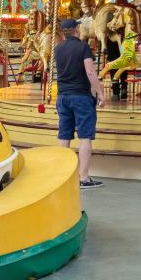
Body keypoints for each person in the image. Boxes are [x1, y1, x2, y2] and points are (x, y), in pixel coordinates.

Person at [54, 18, 106, 189]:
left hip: (63, 97)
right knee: (84, 137)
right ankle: (83, 177)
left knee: (64, 136)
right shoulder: (83, 47)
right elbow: (90, 72)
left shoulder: (58, 48)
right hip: (81, 97)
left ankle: (61, 175)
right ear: (76, 29)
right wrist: (100, 92)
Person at [106, 0, 137, 101]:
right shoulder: (132, 8)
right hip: (127, 39)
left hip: (113, 40)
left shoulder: (112, 8)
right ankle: (124, 87)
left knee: (113, 62)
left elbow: (108, 25)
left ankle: (115, 90)